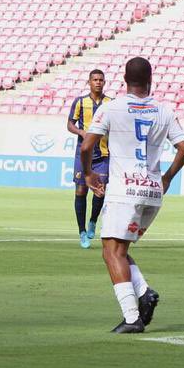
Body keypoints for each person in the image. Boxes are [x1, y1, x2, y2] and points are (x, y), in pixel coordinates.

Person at [81, 57, 184, 334]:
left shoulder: (111, 108)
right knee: (119, 251)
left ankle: (132, 318)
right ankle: (144, 292)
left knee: (111, 252)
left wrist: (89, 174)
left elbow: (86, 147)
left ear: (124, 80)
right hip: (152, 192)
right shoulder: (164, 111)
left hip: (124, 191)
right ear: (150, 79)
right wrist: (167, 177)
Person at [68, 69, 112, 249]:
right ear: (89, 82)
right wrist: (81, 132)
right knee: (80, 191)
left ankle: (93, 220)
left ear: (104, 82)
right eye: (95, 79)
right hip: (83, 153)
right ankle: (82, 232)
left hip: (102, 154)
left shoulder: (111, 103)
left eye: (101, 80)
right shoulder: (80, 102)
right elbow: (70, 123)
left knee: (100, 190)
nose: (98, 82)